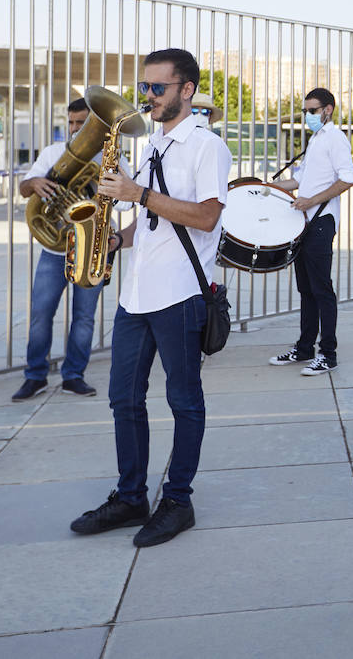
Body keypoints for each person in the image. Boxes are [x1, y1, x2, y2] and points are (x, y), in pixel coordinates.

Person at [69, 48, 232, 548]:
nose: (147, 97)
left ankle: (178, 502)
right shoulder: (150, 145)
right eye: (145, 88)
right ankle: (130, 496)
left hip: (181, 292)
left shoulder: (207, 147)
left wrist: (137, 194)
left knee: (184, 401)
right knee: (123, 399)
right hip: (136, 293)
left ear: (187, 90)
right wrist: (117, 239)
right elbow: (152, 218)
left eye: (157, 88)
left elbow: (206, 216)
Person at [12, 97, 133, 402]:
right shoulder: (54, 153)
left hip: (93, 247)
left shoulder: (112, 156)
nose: (77, 129)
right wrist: (37, 183)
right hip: (55, 249)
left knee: (84, 317)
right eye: (73, 123)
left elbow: (130, 201)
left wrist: (111, 176)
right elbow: (24, 188)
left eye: (83, 123)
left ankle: (73, 375)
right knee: (41, 314)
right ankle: (35, 375)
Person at [267, 88, 353, 375]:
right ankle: (305, 348)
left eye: (313, 110)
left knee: (321, 290)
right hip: (305, 222)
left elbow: (348, 178)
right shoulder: (317, 139)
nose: (308, 116)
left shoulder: (336, 138)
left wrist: (312, 201)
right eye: (305, 111)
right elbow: (300, 181)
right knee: (306, 289)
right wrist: (262, 187)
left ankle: (327, 355)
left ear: (328, 109)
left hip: (320, 222)